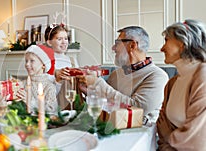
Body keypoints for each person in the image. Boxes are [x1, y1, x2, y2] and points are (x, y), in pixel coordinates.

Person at [81, 26, 169, 124]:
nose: (113, 48)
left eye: (117, 43)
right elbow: (108, 103)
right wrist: (88, 90)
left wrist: (97, 83)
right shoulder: (116, 74)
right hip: (112, 128)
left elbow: (138, 107)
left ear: (132, 45)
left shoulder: (157, 76)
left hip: (140, 134)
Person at [157, 19, 206, 150]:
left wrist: (169, 137)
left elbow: (198, 140)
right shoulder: (172, 83)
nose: (161, 48)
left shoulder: (203, 78)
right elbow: (162, 125)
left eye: (166, 40)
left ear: (182, 43)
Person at [16, 45, 58, 115]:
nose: (27, 64)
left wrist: (30, 101)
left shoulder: (49, 87)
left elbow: (51, 110)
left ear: (43, 65)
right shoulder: (22, 84)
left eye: (32, 61)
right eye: (26, 61)